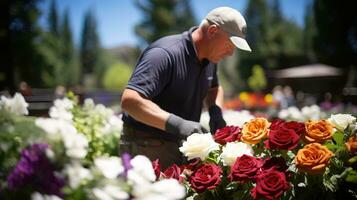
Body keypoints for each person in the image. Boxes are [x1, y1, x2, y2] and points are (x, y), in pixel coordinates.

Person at [120, 7, 252, 169]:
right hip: (147, 146)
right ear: (212, 31)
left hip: (182, 144)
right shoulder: (163, 54)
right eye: (230, 44)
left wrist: (215, 112)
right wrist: (179, 125)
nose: (231, 53)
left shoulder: (210, 58)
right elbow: (130, 101)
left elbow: (214, 87)